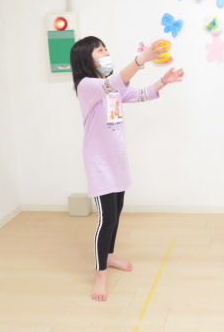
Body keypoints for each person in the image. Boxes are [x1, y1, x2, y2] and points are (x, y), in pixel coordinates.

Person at [69, 36, 184, 301]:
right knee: (106, 219)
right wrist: (140, 60)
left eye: (105, 48)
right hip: (99, 162)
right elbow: (113, 82)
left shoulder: (111, 87)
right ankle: (100, 274)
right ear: (86, 58)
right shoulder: (87, 86)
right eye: (100, 50)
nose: (106, 53)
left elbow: (140, 94)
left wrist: (164, 81)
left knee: (116, 213)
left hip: (117, 160)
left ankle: (108, 256)